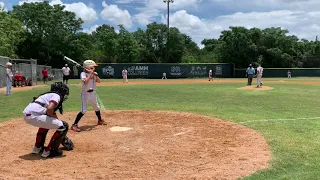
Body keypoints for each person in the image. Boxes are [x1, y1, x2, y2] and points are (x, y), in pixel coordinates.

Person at [23, 82, 73, 158]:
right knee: (64, 126)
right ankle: (50, 151)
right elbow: (50, 108)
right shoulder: (56, 95)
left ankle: (37, 148)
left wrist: (62, 137)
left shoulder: (46, 95)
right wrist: (61, 132)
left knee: (47, 124)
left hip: (27, 115)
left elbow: (52, 117)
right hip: (36, 116)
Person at [71, 60, 106, 132]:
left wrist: (95, 75)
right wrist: (90, 74)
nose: (94, 68)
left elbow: (99, 81)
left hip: (93, 93)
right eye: (92, 67)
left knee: (97, 107)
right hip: (85, 94)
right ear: (88, 67)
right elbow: (85, 82)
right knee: (83, 110)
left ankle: (99, 120)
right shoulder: (83, 73)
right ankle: (74, 125)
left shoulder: (93, 74)